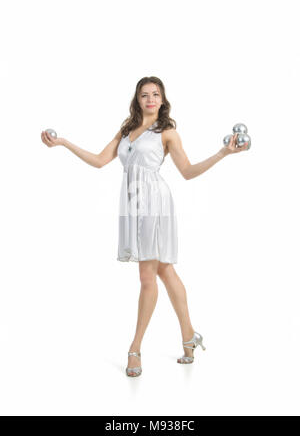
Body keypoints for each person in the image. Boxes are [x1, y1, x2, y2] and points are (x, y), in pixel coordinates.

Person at [41, 76, 248, 378]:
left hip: (155, 205)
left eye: (155, 94)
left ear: (163, 100)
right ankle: (189, 337)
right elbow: (100, 161)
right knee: (164, 270)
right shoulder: (127, 129)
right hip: (132, 205)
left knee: (147, 275)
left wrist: (223, 153)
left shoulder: (167, 132)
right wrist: (63, 143)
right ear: (137, 99)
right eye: (144, 95)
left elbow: (187, 172)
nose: (150, 99)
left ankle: (134, 348)